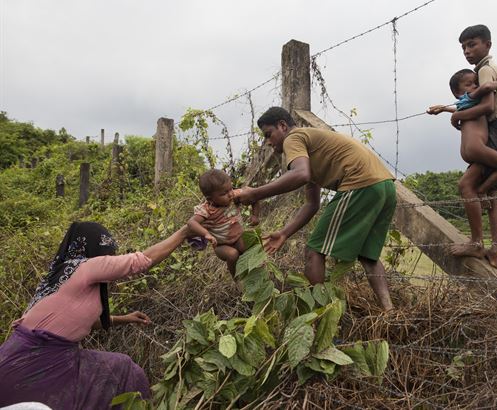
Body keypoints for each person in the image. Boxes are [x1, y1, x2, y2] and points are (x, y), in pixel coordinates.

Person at [0, 221, 190, 409]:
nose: (110, 255)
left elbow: (73, 322)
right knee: (124, 371)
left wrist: (125, 318)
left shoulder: (61, 273)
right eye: (106, 247)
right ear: (93, 246)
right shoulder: (86, 266)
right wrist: (184, 232)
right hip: (38, 362)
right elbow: (141, 261)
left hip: (23, 356)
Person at [237, 106, 396, 311]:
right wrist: (284, 233)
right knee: (368, 256)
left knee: (314, 250)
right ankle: (389, 312)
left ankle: (318, 316)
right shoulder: (311, 145)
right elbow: (312, 204)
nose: (268, 142)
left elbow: (300, 174)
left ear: (283, 126)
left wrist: (256, 193)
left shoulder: (293, 138)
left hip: (359, 184)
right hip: (386, 186)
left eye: (269, 134)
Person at [446, 24, 497, 268]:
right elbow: (473, 101)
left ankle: (477, 243)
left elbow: (487, 107)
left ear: (487, 44)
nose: (467, 51)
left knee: (467, 184)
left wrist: (458, 117)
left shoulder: (485, 71)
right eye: (464, 47)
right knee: (492, 194)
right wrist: (450, 110)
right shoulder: (486, 69)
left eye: (472, 44)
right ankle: (496, 252)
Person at [427, 69, 497, 200]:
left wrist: (444, 109)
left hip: (466, 151)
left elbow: (459, 111)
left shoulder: (465, 104)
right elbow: (488, 86)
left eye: (475, 83)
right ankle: (482, 190)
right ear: (457, 92)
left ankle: (485, 189)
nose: (475, 86)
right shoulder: (473, 97)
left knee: (479, 174)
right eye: (469, 84)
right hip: (476, 147)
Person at [187, 168, 259, 277]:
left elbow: (255, 195)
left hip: (238, 237)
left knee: (249, 250)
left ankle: (252, 273)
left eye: (230, 189)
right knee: (233, 255)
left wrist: (255, 215)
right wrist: (206, 234)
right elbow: (191, 223)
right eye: (224, 193)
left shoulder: (235, 196)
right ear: (210, 199)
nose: (230, 194)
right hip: (221, 245)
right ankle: (237, 278)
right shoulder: (206, 209)